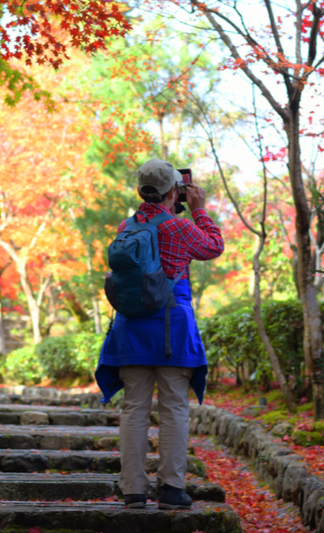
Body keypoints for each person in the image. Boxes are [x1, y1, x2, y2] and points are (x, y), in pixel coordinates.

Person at [95, 159, 224, 510]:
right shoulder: (179, 227)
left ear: (141, 191)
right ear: (173, 192)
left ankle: (133, 490)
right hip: (172, 329)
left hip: (131, 328)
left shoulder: (126, 226)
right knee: (173, 409)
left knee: (134, 409)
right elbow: (213, 247)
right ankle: (171, 488)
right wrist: (199, 210)